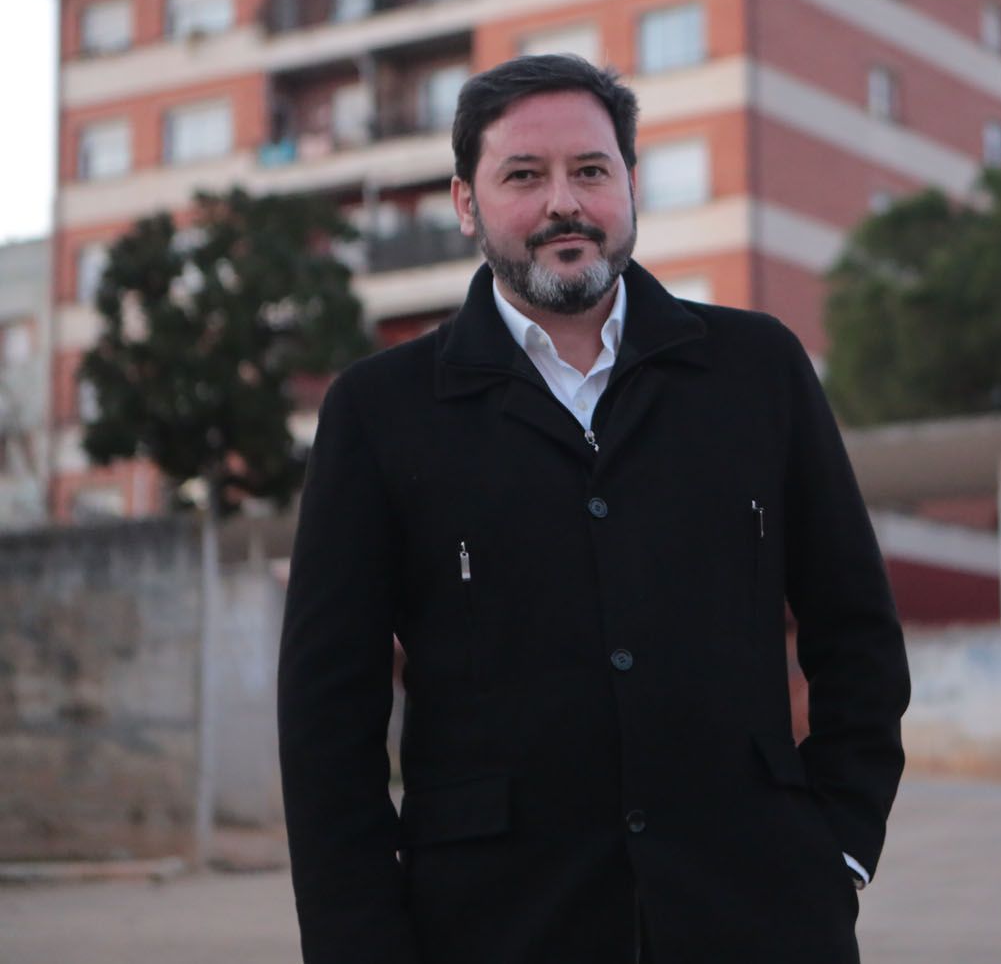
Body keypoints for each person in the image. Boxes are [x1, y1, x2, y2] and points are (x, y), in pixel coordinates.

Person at [277, 54, 911, 964]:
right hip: (492, 928)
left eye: (589, 170)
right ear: (465, 203)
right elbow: (327, 715)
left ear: (630, 184)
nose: (563, 203)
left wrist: (839, 844)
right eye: (523, 176)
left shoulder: (757, 370)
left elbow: (856, 630)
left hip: (760, 919)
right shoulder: (379, 413)